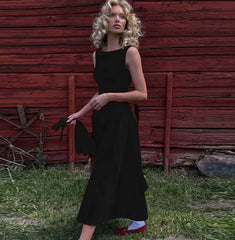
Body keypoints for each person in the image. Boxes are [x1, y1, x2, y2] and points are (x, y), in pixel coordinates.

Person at [67, 0, 148, 239]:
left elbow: (142, 94)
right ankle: (138, 221)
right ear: (104, 21)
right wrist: (80, 113)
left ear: (127, 22)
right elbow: (99, 91)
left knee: (103, 173)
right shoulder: (97, 55)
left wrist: (112, 97)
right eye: (112, 15)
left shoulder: (130, 52)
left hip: (120, 121)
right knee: (124, 169)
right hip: (101, 120)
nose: (117, 20)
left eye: (122, 16)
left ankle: (85, 236)